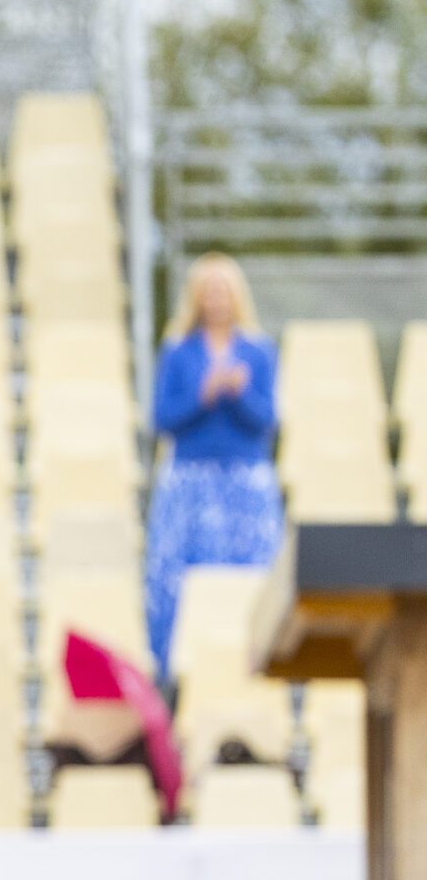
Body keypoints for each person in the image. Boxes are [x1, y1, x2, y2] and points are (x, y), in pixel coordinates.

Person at [146, 252, 282, 672]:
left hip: (244, 483)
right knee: (184, 584)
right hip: (190, 482)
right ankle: (180, 672)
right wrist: (203, 394)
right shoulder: (178, 351)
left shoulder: (258, 351)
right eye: (209, 290)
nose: (217, 299)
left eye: (223, 290)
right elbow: (163, 419)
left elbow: (267, 421)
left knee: (247, 582)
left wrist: (238, 392)